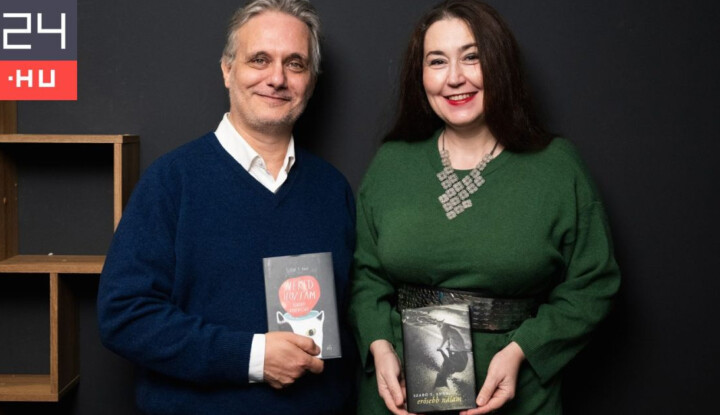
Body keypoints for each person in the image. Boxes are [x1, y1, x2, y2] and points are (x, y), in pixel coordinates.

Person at [348, 1, 621, 414]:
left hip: (517, 394)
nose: (455, 78)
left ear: (499, 64)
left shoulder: (557, 167)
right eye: (437, 61)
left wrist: (522, 350)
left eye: (471, 57)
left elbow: (594, 283)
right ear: (420, 76)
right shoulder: (392, 163)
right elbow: (363, 275)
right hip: (399, 393)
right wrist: (378, 344)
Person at [97, 1, 356, 414]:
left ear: (310, 80)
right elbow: (124, 315)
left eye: (295, 64)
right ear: (227, 70)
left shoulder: (332, 189)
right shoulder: (172, 181)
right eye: (259, 60)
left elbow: (351, 314)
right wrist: (252, 358)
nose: (277, 78)